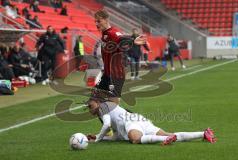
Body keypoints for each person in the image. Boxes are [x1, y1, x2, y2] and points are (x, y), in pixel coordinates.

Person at [86, 96, 217, 145]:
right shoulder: (108, 108)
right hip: (139, 120)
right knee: (170, 135)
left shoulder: (103, 108)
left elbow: (107, 125)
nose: (90, 110)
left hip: (132, 122)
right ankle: (203, 134)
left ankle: (165, 140)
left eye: (91, 106)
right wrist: (99, 137)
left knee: (135, 139)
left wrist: (97, 140)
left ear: (98, 102)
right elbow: (116, 137)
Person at [94, 10, 147, 104]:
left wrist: (133, 40)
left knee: (112, 106)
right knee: (95, 102)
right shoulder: (105, 34)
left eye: (99, 21)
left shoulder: (113, 33)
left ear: (106, 19)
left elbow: (121, 38)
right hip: (107, 74)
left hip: (115, 75)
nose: (96, 24)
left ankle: (125, 117)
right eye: (95, 21)